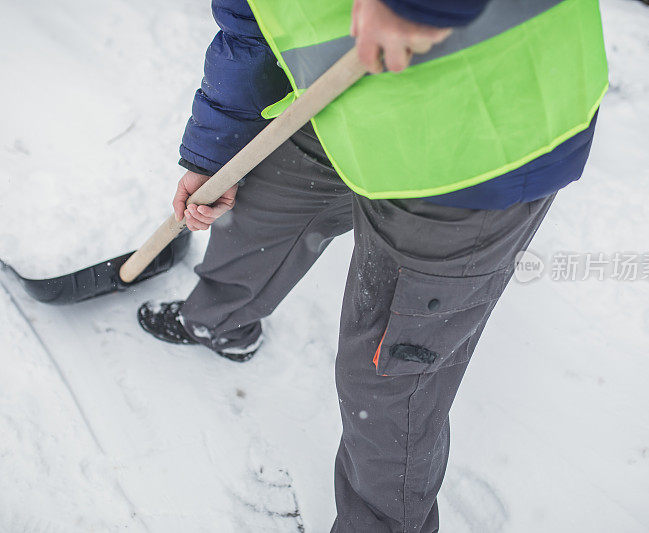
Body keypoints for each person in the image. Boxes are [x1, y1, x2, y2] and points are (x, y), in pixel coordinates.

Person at [137, 0, 604, 530]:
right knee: (259, 215)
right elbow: (249, 26)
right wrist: (211, 153)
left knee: (390, 379)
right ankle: (218, 322)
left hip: (481, 138)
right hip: (344, 98)